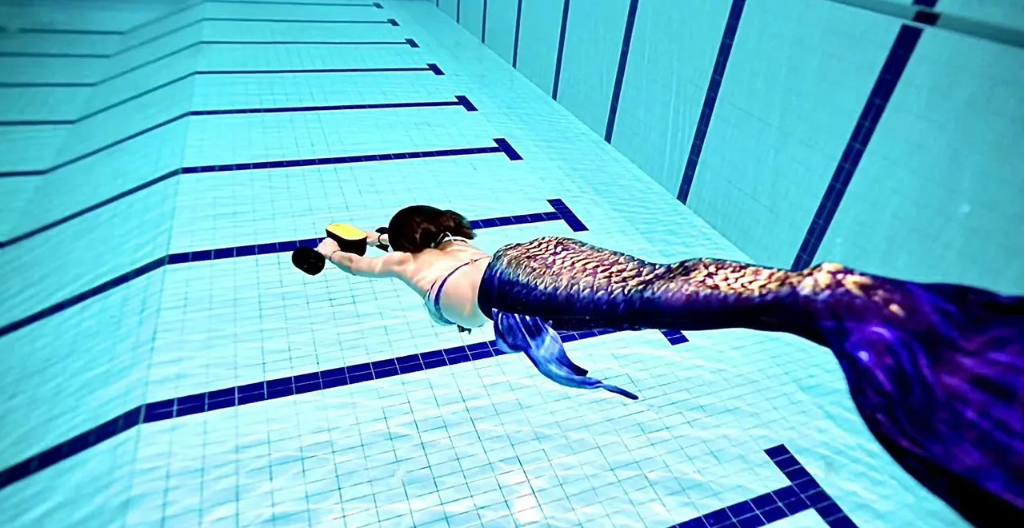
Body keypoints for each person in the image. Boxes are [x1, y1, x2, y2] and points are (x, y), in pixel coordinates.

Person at [314, 205, 1022, 527]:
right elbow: (401, 234)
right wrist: (381, 230)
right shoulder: (446, 242)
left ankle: (830, 298)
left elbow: (357, 261)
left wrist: (328, 250)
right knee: (660, 283)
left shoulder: (401, 264)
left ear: (402, 244)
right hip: (537, 257)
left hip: (515, 287)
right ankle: (815, 295)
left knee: (664, 296)